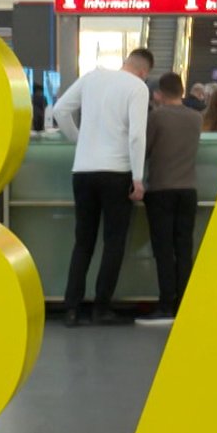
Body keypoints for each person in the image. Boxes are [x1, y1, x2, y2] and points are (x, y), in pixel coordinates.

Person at [50, 48, 153, 326]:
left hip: (82, 171)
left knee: (83, 242)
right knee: (113, 242)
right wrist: (138, 178)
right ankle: (101, 307)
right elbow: (136, 135)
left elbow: (59, 110)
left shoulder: (92, 78)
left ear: (126, 62)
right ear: (144, 72)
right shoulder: (137, 88)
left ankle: (71, 309)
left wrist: (79, 139)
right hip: (116, 172)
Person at [140, 72, 202, 326]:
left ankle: (166, 303)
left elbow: (145, 149)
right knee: (184, 248)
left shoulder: (157, 116)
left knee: (164, 249)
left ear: (160, 93)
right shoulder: (196, 118)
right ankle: (183, 303)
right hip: (188, 190)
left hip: (161, 189)